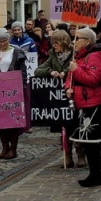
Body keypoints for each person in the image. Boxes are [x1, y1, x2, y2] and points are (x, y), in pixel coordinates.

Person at [66, 27, 101, 187]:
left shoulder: (93, 56)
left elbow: (93, 79)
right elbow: (71, 77)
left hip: (92, 104)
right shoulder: (80, 56)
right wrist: (68, 88)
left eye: (78, 38)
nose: (74, 42)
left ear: (88, 41)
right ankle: (93, 174)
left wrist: (76, 70)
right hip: (82, 103)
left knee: (91, 142)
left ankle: (96, 175)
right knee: (86, 141)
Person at [0, 28, 29, 159]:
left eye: (4, 40)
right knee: (0, 119)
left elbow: (23, 70)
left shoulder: (17, 52)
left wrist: (23, 85)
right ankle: (4, 147)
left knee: (13, 119)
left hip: (13, 88)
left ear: (8, 39)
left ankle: (13, 148)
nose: (2, 43)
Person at [35, 29, 76, 166]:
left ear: (63, 42)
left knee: (76, 124)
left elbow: (78, 68)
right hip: (58, 97)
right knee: (63, 126)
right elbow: (38, 70)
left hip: (73, 93)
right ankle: (67, 154)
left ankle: (81, 153)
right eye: (52, 43)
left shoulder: (74, 54)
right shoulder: (53, 55)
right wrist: (51, 71)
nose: (54, 46)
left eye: (56, 43)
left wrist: (65, 72)